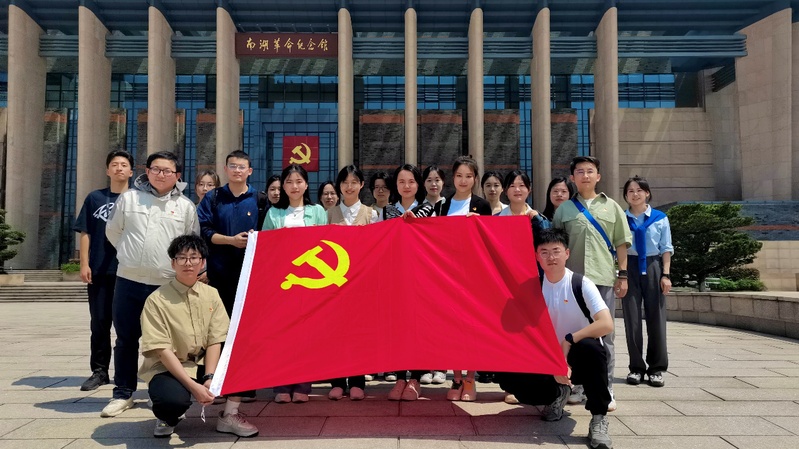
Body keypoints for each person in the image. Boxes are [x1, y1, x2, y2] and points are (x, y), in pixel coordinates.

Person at [103, 151, 200, 418]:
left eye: (167, 171)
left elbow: (190, 243)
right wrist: (131, 256)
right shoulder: (129, 198)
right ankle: (123, 393)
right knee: (126, 339)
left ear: (177, 176)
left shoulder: (185, 206)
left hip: (166, 284)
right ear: (147, 171)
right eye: (156, 169)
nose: (161, 174)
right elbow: (113, 231)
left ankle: (167, 394)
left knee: (170, 342)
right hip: (129, 280)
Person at [499, 228, 614, 449]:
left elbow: (606, 324)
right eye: (544, 252)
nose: (551, 257)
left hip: (579, 357)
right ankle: (557, 394)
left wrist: (569, 339)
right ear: (536, 256)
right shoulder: (532, 287)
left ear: (567, 253)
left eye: (556, 251)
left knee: (591, 348)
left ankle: (599, 418)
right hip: (547, 358)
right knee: (508, 373)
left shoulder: (580, 284)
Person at [139, 234, 258, 438]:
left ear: (202, 262)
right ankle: (168, 417)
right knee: (172, 401)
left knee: (245, 354)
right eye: (182, 258)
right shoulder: (156, 300)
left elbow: (215, 339)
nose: (188, 263)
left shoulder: (211, 294)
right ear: (173, 263)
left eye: (194, 257)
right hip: (171, 365)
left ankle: (229, 415)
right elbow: (162, 350)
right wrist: (194, 387)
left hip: (203, 362)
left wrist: (210, 378)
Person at [552, 156, 632, 412]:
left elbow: (621, 243)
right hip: (572, 283)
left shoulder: (612, 207)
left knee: (605, 335)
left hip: (602, 279)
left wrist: (623, 275)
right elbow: (555, 246)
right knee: (574, 333)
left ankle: (606, 387)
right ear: (572, 177)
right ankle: (577, 386)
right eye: (580, 171)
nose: (585, 175)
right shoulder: (564, 210)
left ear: (598, 176)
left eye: (590, 171)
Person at [196, 150, 261, 403]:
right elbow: (204, 230)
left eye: (241, 167)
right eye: (232, 166)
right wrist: (231, 241)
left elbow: (267, 233)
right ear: (225, 169)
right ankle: (216, 380)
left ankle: (245, 383)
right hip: (219, 274)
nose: (237, 170)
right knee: (218, 329)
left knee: (247, 329)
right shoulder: (213, 198)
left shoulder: (259, 199)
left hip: (250, 276)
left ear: (249, 171)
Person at [262, 163, 327, 402]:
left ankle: (302, 385)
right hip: (283, 283)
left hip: (310, 283)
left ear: (306, 185)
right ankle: (281, 386)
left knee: (305, 336)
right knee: (281, 335)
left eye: (299, 181)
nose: (294, 186)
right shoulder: (274, 213)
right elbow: (266, 247)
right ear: (283, 186)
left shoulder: (317, 211)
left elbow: (326, 244)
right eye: (289, 182)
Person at [73, 150, 134, 391]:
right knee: (99, 323)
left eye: (124, 165)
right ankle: (99, 371)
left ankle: (126, 372)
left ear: (131, 171)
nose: (119, 168)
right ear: (108, 170)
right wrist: (84, 263)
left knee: (127, 326)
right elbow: (85, 232)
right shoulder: (95, 198)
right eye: (114, 165)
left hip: (129, 271)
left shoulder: (138, 199)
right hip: (100, 270)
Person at [440, 156, 491, 402]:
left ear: (475, 179)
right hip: (448, 274)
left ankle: (470, 378)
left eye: (468, 176)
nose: (463, 180)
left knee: (470, 328)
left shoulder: (482, 205)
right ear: (453, 178)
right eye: (459, 176)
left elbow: (490, 238)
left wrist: (478, 224)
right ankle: (456, 377)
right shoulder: (443, 205)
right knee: (451, 328)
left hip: (472, 275)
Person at [385, 164, 436, 401]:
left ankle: (415, 378)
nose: (406, 186)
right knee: (396, 328)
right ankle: (399, 378)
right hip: (394, 276)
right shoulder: (387, 210)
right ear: (395, 185)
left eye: (411, 181)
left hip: (420, 277)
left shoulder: (428, 209)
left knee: (417, 328)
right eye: (401, 181)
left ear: (418, 184)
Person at [327, 165, 377, 401]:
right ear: (339, 186)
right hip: (334, 283)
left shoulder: (371, 214)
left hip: (361, 283)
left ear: (361, 185)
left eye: (354, 182)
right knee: (335, 333)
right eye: (345, 182)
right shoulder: (330, 213)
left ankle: (357, 381)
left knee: (358, 333)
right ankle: (337, 381)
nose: (349, 187)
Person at [621, 176, 673, 388]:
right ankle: (636, 367)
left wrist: (665, 275)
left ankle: (656, 369)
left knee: (656, 319)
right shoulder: (621, 219)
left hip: (653, 266)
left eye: (639, 190)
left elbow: (666, 248)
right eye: (630, 191)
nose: (635, 194)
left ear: (647, 193)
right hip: (629, 267)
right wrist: (621, 274)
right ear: (625, 196)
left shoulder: (660, 218)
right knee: (631, 320)